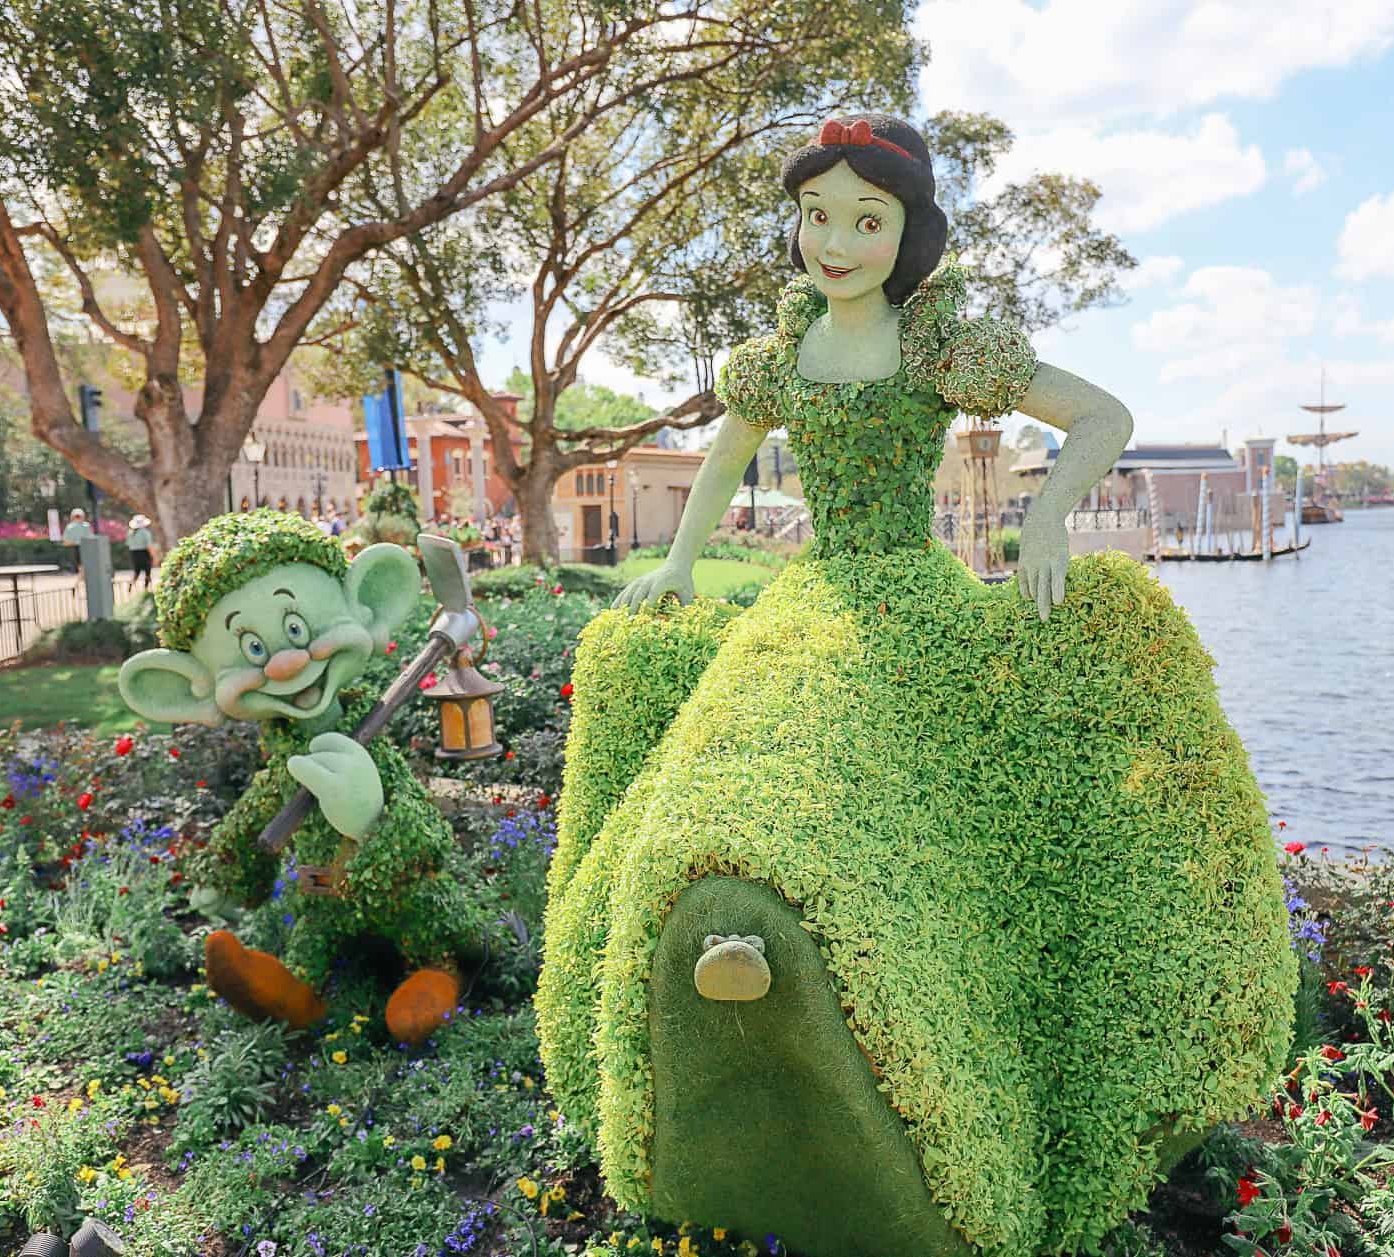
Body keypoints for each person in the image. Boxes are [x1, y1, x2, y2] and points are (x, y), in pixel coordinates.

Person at [536, 114, 1295, 1257]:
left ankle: (918, 1074)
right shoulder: (782, 352)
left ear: (907, 232)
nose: (836, 240)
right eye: (816, 217)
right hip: (808, 600)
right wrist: (681, 563)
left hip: (914, 598)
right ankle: (718, 1001)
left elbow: (1104, 419)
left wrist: (1046, 526)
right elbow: (724, 457)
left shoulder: (942, 344)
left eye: (866, 220)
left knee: (928, 801)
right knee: (749, 750)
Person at [125, 513, 155, 590]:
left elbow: (128, 544)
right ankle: (146, 589)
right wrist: (153, 556)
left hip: (134, 554)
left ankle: (132, 583)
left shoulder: (130, 533)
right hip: (144, 553)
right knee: (147, 572)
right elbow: (149, 546)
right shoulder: (145, 533)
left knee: (136, 572)